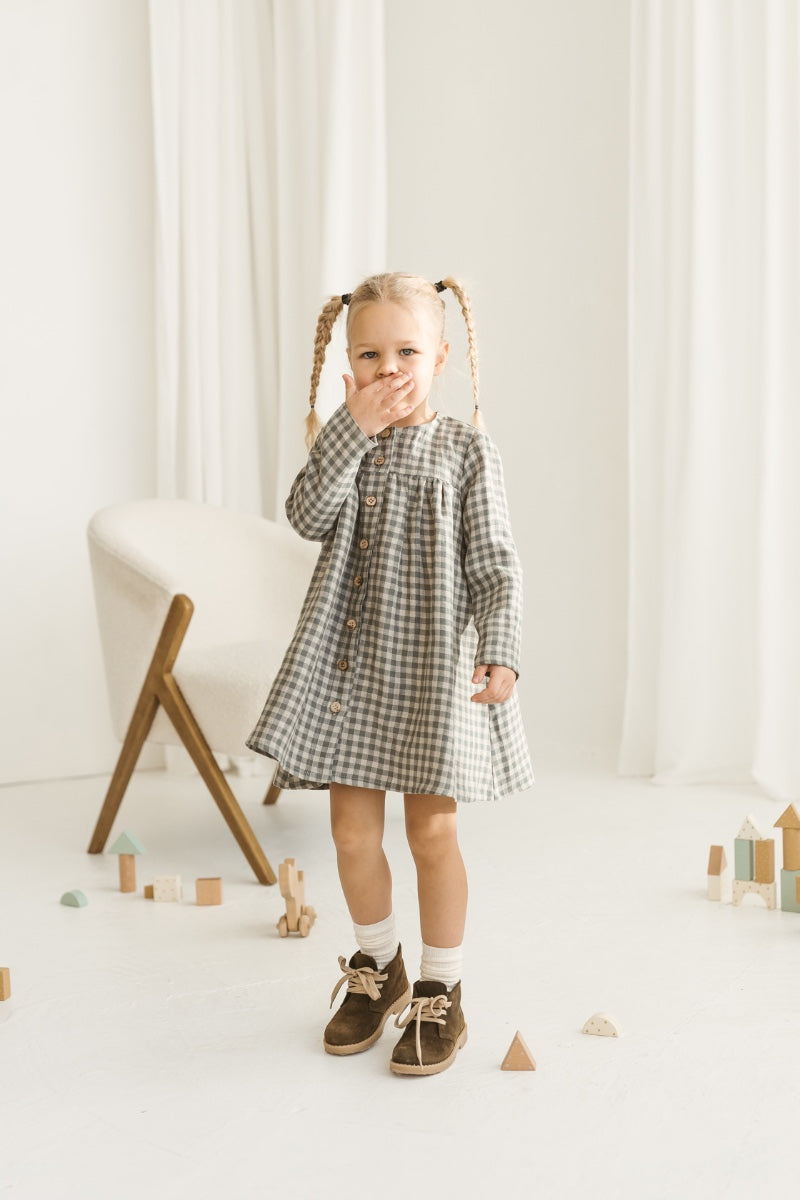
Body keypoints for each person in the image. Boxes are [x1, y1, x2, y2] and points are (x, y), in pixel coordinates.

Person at [247, 272, 533, 1076]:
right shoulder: (350, 444)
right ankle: (377, 968)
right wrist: (349, 427)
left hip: (435, 666)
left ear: (440, 356)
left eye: (407, 350)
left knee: (431, 831)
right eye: (370, 355)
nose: (390, 368)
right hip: (353, 668)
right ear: (349, 368)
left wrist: (502, 645)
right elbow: (305, 516)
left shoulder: (468, 449)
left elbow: (496, 560)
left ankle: (443, 987)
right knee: (350, 831)